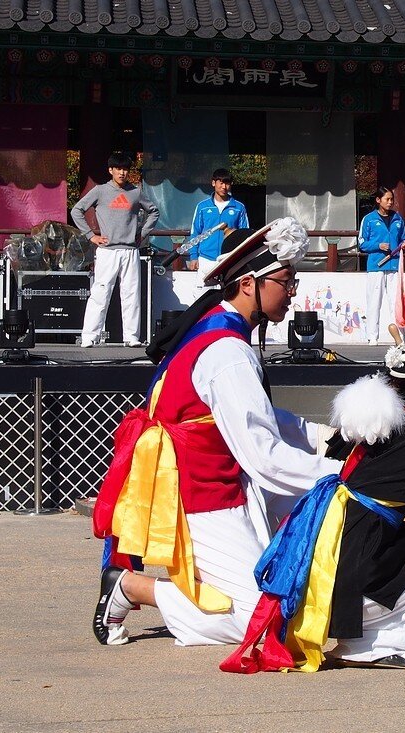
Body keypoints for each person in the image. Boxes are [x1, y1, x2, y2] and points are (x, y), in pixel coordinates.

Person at [91, 217, 347, 649]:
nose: (292, 291)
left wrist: (323, 436)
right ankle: (132, 587)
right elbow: (264, 456)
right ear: (249, 283)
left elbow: (246, 415)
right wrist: (342, 471)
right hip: (202, 495)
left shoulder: (219, 327)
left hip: (216, 483)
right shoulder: (227, 350)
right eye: (286, 280)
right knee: (265, 622)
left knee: (286, 593)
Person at [222, 314, 405, 673]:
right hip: (345, 570)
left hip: (333, 547)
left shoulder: (390, 416)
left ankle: (359, 636)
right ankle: (374, 645)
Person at [71, 153, 160, 347]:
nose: (122, 172)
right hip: (107, 250)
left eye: (125, 169)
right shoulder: (100, 191)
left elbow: (154, 211)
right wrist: (90, 235)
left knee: (131, 294)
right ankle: (89, 336)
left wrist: (142, 233)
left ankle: (131, 337)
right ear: (111, 170)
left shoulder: (135, 192)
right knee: (101, 292)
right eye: (118, 168)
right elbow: (76, 210)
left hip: (130, 250)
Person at [358, 186, 405, 345]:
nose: (390, 202)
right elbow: (362, 244)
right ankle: (372, 336)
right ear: (378, 200)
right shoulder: (369, 219)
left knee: (396, 303)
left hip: (394, 267)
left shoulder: (398, 219)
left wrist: (404, 246)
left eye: (392, 199)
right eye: (387, 199)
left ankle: (400, 337)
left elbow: (403, 239)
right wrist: (377, 245)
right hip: (376, 266)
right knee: (374, 302)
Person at [188, 168, 249, 278]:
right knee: (202, 293)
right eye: (221, 183)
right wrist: (193, 257)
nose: (224, 187)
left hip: (230, 258)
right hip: (205, 259)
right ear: (213, 183)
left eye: (227, 183)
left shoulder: (239, 208)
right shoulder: (202, 207)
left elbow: (244, 234)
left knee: (229, 294)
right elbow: (195, 232)